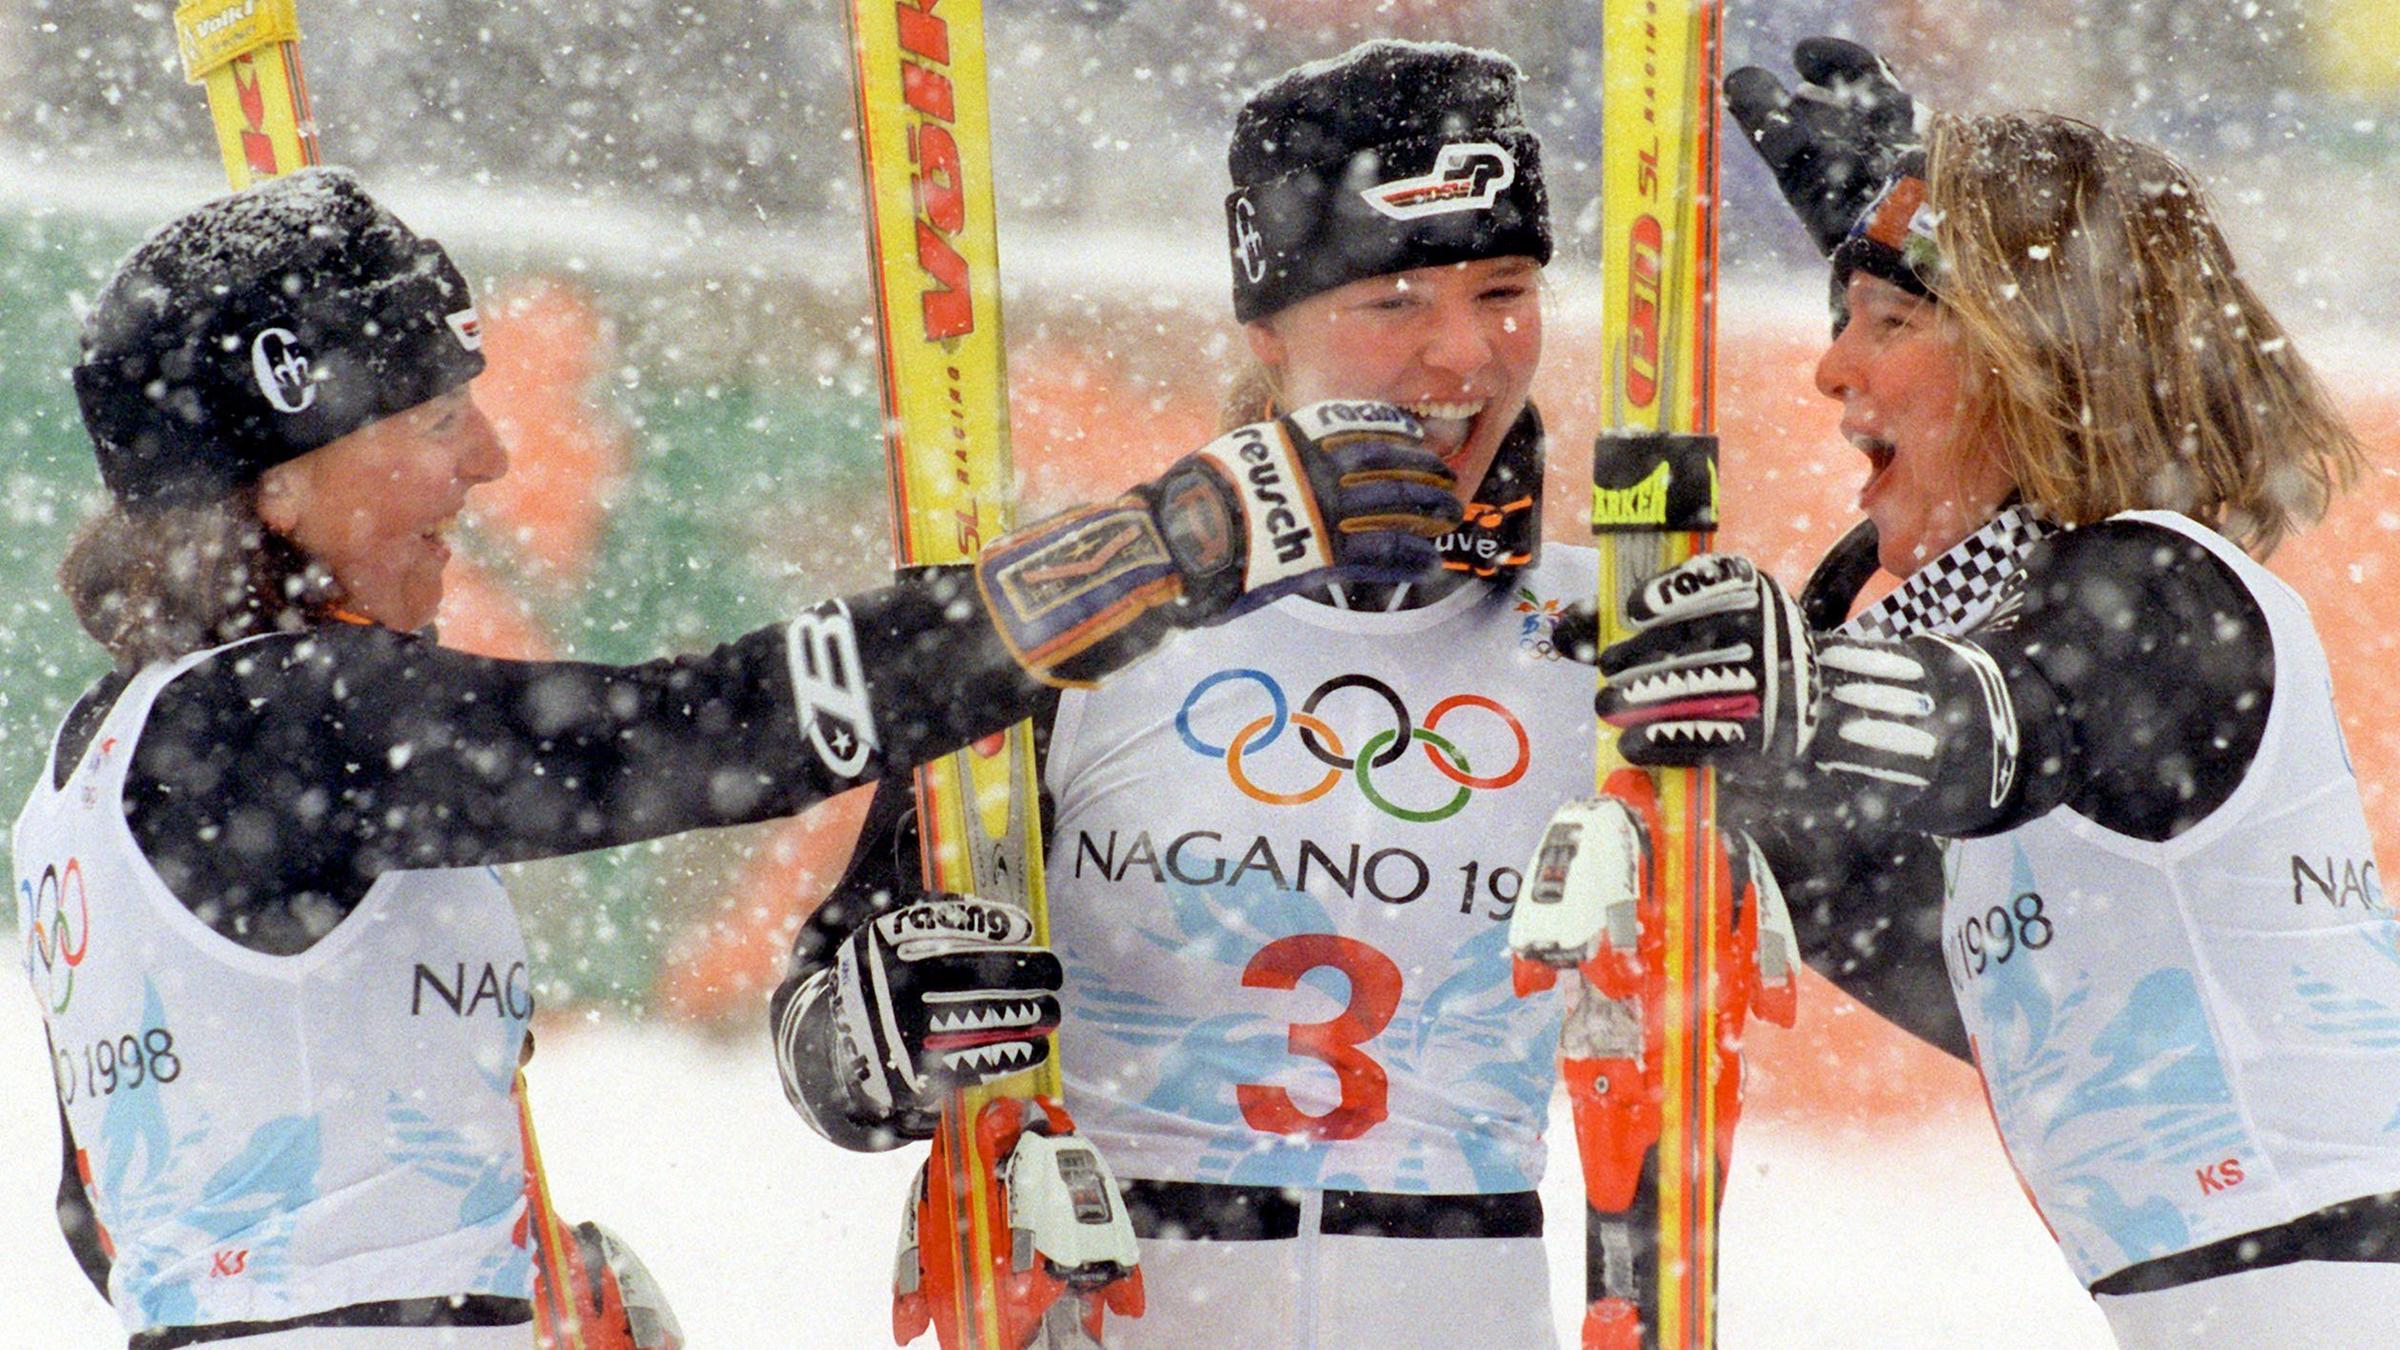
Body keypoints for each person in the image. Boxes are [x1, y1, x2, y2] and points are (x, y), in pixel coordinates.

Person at [14, 166, 1460, 1349]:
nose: (491, 462)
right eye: (440, 418)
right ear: (281, 471)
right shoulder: (268, 719)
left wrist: (480, 1295)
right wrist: (1176, 543)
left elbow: (117, 1218)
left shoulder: (106, 755)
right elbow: (693, 734)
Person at [775, 39, 1795, 1348]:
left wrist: (1799, 706)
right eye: (1395, 302)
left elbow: (1855, 922)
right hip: (1124, 1303)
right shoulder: (1081, 617)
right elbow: (830, 1045)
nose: (1464, 358)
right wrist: (879, 1032)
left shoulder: (1615, 631)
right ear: (1266, 329)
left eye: (1504, 289)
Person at [1598, 38, 2397, 1349]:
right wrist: (1731, 780)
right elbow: (1896, 911)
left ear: (2040, 358)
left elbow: (1990, 724)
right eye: (1841, 322)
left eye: (1891, 325)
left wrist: (1789, 689)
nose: (1830, 370)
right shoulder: (2053, 677)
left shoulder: (2168, 600)